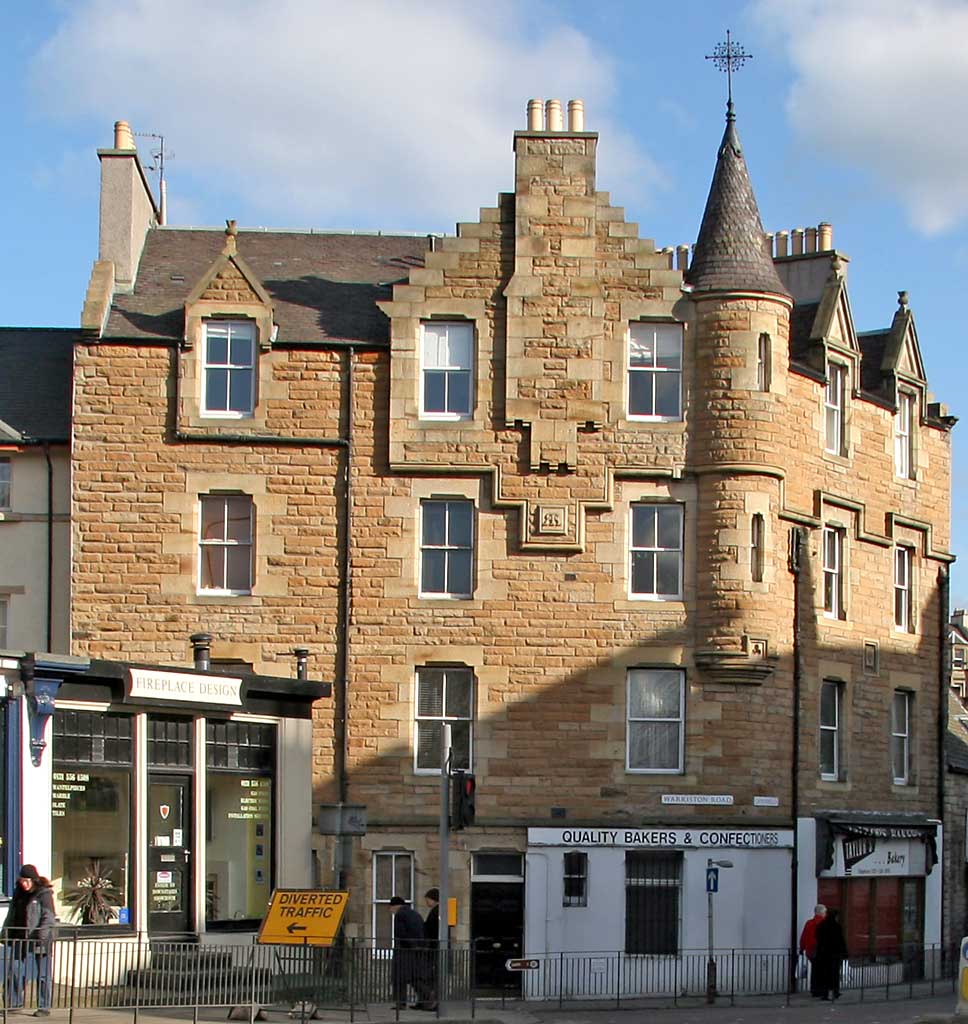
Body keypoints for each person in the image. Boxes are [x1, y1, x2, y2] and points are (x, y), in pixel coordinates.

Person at [2, 865, 56, 1016]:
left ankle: (44, 1007)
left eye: (27, 881)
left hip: (40, 940)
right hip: (19, 938)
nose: (24, 884)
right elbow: (12, 914)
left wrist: (41, 936)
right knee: (15, 970)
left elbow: (48, 917)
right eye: (22, 881)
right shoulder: (19, 893)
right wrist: (5, 932)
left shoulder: (43, 894)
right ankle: (13, 1003)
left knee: (43, 974)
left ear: (33, 880)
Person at [389, 896, 428, 1010]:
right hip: (418, 950)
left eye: (390, 908)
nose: (390, 910)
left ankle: (400, 1003)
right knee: (415, 977)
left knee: (399, 977)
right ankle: (427, 998)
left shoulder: (400, 915)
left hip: (404, 951)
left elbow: (400, 933)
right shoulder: (416, 914)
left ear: (395, 906)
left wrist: (407, 945)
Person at [813, 907, 848, 1001]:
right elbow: (841, 940)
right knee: (835, 974)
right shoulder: (836, 926)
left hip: (823, 954)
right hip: (834, 954)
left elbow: (817, 936)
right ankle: (835, 992)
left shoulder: (821, 925)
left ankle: (825, 994)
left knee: (824, 974)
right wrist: (845, 952)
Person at [798, 903, 826, 997]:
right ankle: (821, 990)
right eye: (825, 912)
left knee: (815, 970)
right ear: (822, 912)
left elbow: (803, 937)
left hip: (810, 951)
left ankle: (814, 989)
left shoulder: (809, 923)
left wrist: (802, 948)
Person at [421, 888, 440, 1011]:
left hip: (434, 949)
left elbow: (431, 930)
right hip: (434, 948)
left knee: (432, 977)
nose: (426, 902)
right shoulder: (437, 911)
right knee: (432, 977)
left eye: (427, 899)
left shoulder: (436, 912)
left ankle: (434, 1002)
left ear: (433, 899)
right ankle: (432, 1002)